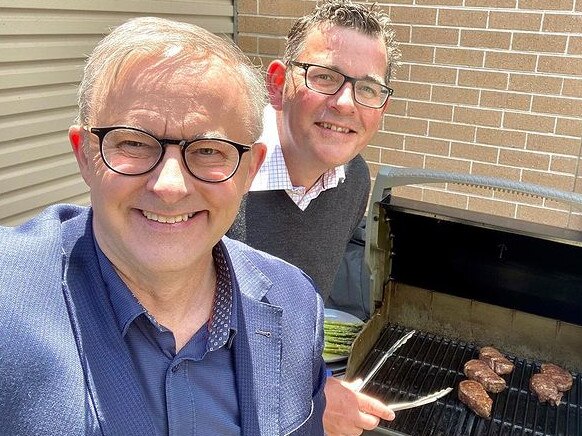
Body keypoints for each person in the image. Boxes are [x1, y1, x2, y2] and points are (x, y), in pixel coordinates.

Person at [0, 17, 326, 436]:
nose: (170, 186)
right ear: (84, 155)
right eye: (134, 143)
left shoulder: (296, 305)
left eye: (210, 150)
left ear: (249, 170)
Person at [227, 0, 401, 434]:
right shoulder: (216, 170)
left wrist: (313, 384)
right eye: (324, 77)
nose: (346, 103)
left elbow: (302, 309)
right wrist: (307, 404)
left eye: (368, 88)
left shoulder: (354, 179)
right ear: (276, 83)